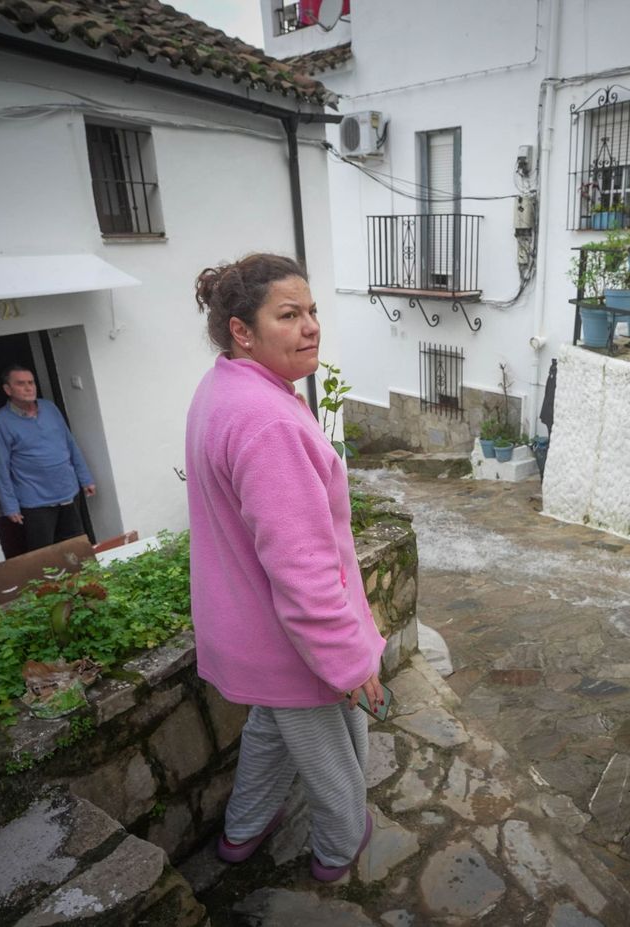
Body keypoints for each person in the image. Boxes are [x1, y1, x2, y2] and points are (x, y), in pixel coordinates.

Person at [185, 253, 385, 882]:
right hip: (288, 640)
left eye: (312, 311)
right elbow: (300, 568)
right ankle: (337, 852)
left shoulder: (227, 386)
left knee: (271, 733)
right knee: (333, 764)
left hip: (246, 628)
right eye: (289, 314)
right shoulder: (267, 420)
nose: (311, 327)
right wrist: (351, 661)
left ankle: (241, 833)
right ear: (242, 330)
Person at [0, 365, 96, 552]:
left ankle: (84, 581)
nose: (29, 388)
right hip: (35, 500)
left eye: (31, 382)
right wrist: (10, 505)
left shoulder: (50, 408)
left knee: (76, 547)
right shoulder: (1, 422)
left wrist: (85, 478)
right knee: (44, 554)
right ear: (8, 390)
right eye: (21, 384)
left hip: (68, 491)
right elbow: (0, 468)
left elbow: (70, 444)